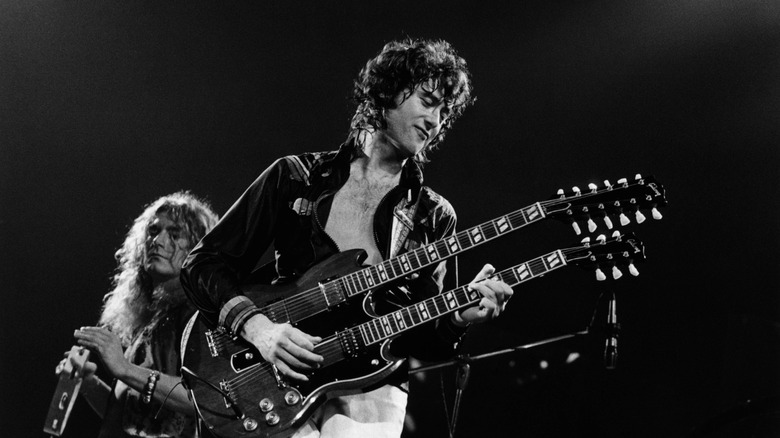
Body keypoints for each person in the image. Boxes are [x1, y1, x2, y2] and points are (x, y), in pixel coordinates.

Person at [180, 37, 513, 438]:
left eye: (444, 110)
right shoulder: (296, 178)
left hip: (372, 390)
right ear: (387, 92)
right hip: (271, 373)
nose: (436, 119)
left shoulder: (433, 216)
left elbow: (426, 338)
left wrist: (459, 316)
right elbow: (203, 265)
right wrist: (258, 329)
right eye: (427, 100)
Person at [58, 192, 219, 437]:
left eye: (175, 234)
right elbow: (132, 420)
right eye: (153, 231)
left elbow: (206, 400)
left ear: (196, 249)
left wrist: (124, 368)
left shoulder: (198, 315)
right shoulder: (152, 317)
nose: (158, 241)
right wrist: (89, 384)